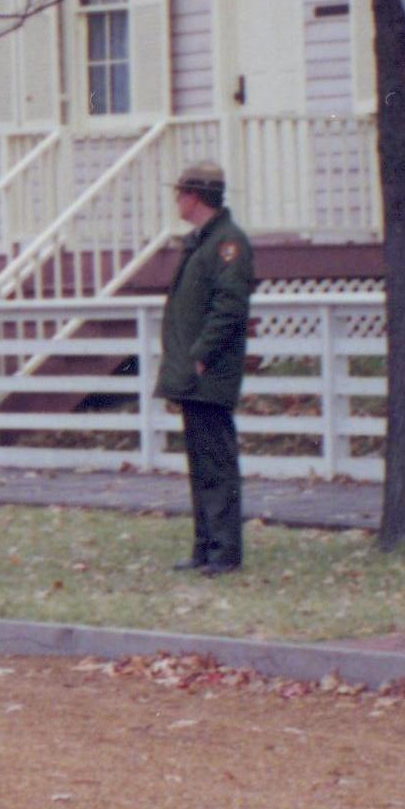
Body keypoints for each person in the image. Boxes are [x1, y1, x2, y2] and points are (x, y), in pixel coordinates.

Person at [155, 161, 256, 575]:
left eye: (180, 192)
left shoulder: (227, 244)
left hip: (208, 373)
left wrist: (200, 354)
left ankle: (225, 551)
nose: (177, 200)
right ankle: (205, 547)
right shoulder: (201, 241)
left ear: (195, 196)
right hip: (194, 374)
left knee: (216, 462)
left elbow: (229, 307)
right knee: (200, 464)